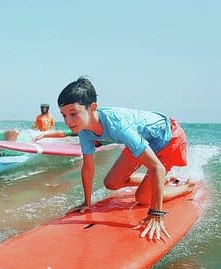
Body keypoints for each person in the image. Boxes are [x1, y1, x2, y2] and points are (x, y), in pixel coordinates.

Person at [57, 77, 194, 241]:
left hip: (168, 138)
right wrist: (87, 202)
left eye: (73, 113)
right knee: (111, 183)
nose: (68, 121)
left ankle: (187, 186)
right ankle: (159, 181)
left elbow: (157, 167)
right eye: (64, 115)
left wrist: (156, 215)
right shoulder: (84, 130)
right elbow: (88, 167)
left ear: (92, 107)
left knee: (142, 198)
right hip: (143, 140)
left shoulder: (117, 125)